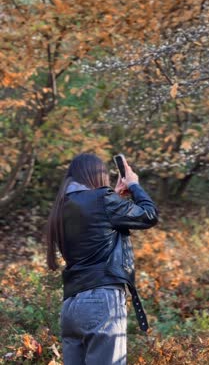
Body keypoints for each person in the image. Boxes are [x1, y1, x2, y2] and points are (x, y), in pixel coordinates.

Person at [46, 152, 158, 365]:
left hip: (71, 306)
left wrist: (114, 197)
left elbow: (94, 226)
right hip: (101, 300)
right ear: (96, 175)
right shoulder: (102, 200)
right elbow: (149, 215)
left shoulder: (62, 206)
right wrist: (134, 185)